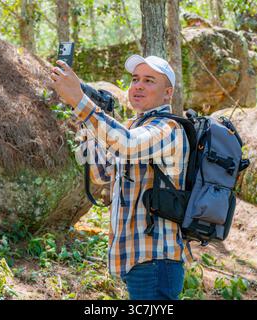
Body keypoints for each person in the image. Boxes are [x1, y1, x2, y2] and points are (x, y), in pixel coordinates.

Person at [51, 54, 193, 300]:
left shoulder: (169, 129)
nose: (138, 85)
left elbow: (127, 145)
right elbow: (100, 173)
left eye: (149, 81)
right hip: (134, 260)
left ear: (168, 93)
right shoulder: (131, 127)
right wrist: (90, 122)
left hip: (156, 260)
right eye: (135, 79)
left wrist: (81, 103)